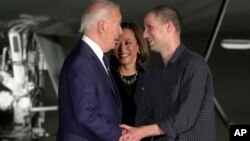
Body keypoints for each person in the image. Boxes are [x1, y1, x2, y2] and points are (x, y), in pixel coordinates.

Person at [119, 5, 215, 141]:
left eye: (149, 27)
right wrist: (133, 133)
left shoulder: (194, 65)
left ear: (168, 26)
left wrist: (141, 132)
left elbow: (185, 117)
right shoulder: (153, 71)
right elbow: (144, 115)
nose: (145, 34)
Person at [56, 0, 123, 141]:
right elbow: (85, 114)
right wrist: (121, 136)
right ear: (102, 26)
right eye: (118, 25)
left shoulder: (91, 59)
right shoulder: (82, 62)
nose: (120, 32)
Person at [110, 22, 149, 126]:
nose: (122, 49)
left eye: (128, 43)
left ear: (139, 46)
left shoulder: (151, 80)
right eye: (117, 43)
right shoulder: (105, 78)